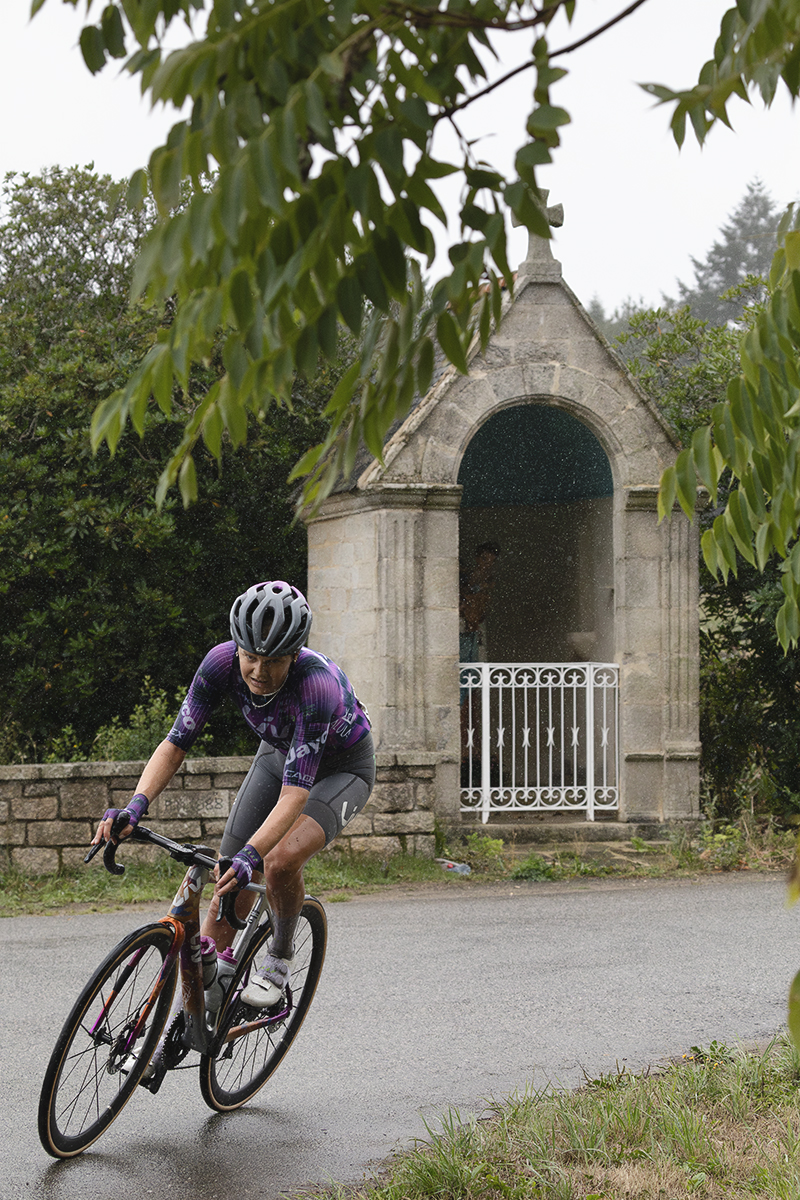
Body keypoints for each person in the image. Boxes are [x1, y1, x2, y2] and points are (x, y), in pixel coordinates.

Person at [93, 580, 375, 1007]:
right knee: (227, 881)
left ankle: (279, 956)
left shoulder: (315, 685)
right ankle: (185, 1027)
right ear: (236, 648)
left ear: (294, 656)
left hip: (341, 769)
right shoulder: (219, 663)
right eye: (251, 658)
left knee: (276, 862)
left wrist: (253, 856)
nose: (259, 672)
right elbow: (174, 744)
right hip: (280, 753)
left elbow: (295, 796)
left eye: (274, 661)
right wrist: (137, 805)